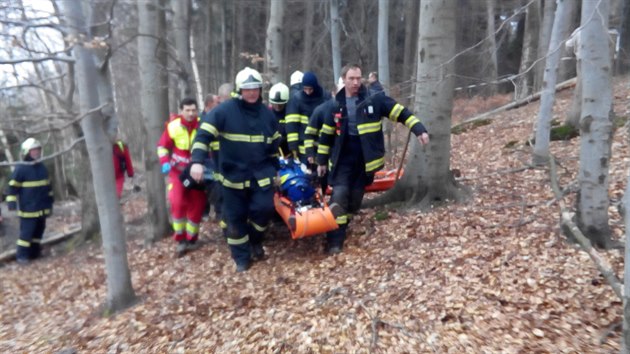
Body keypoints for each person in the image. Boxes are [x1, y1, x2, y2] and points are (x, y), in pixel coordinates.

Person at [316, 64, 430, 254]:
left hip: (364, 160)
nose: (355, 82)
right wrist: (320, 161)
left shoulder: (374, 99)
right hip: (342, 159)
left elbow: (400, 112)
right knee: (339, 195)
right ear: (343, 79)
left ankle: (345, 218)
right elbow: (326, 135)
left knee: (354, 200)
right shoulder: (336, 104)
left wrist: (419, 129)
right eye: (351, 78)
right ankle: (335, 241)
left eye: (358, 78)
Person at [189, 67, 281, 272]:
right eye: (247, 89)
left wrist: (277, 171)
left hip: (261, 177)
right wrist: (197, 161)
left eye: (255, 88)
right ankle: (241, 257)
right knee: (235, 218)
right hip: (233, 178)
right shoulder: (224, 111)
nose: (251, 92)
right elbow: (203, 134)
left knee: (264, 210)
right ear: (239, 90)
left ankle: (255, 241)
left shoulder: (267, 115)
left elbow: (274, 146)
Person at [157, 97, 207, 257]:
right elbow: (162, 146)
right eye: (187, 110)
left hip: (197, 172)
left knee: (197, 205)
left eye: (193, 110)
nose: (191, 113)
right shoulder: (173, 127)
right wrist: (164, 161)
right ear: (181, 111)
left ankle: (192, 238)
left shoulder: (203, 126)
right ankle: (180, 239)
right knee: (177, 202)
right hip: (177, 171)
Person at [6, 138, 54, 264]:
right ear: (27, 152)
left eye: (38, 149)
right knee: (26, 235)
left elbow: (48, 187)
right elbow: (12, 187)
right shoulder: (21, 168)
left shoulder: (42, 167)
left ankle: (34, 253)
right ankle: (22, 256)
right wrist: (11, 203)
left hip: (42, 208)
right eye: (33, 150)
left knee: (38, 233)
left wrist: (50, 203)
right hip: (28, 210)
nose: (36, 152)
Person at [285, 71, 330, 164]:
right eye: (305, 89)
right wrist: (293, 147)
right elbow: (291, 125)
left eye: (310, 89)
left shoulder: (325, 97)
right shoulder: (296, 100)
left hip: (323, 147)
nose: (308, 92)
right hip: (303, 150)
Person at [268, 82, 291, 156]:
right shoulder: (267, 114)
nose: (277, 106)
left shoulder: (290, 115)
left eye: (280, 104)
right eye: (275, 104)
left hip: (287, 154)